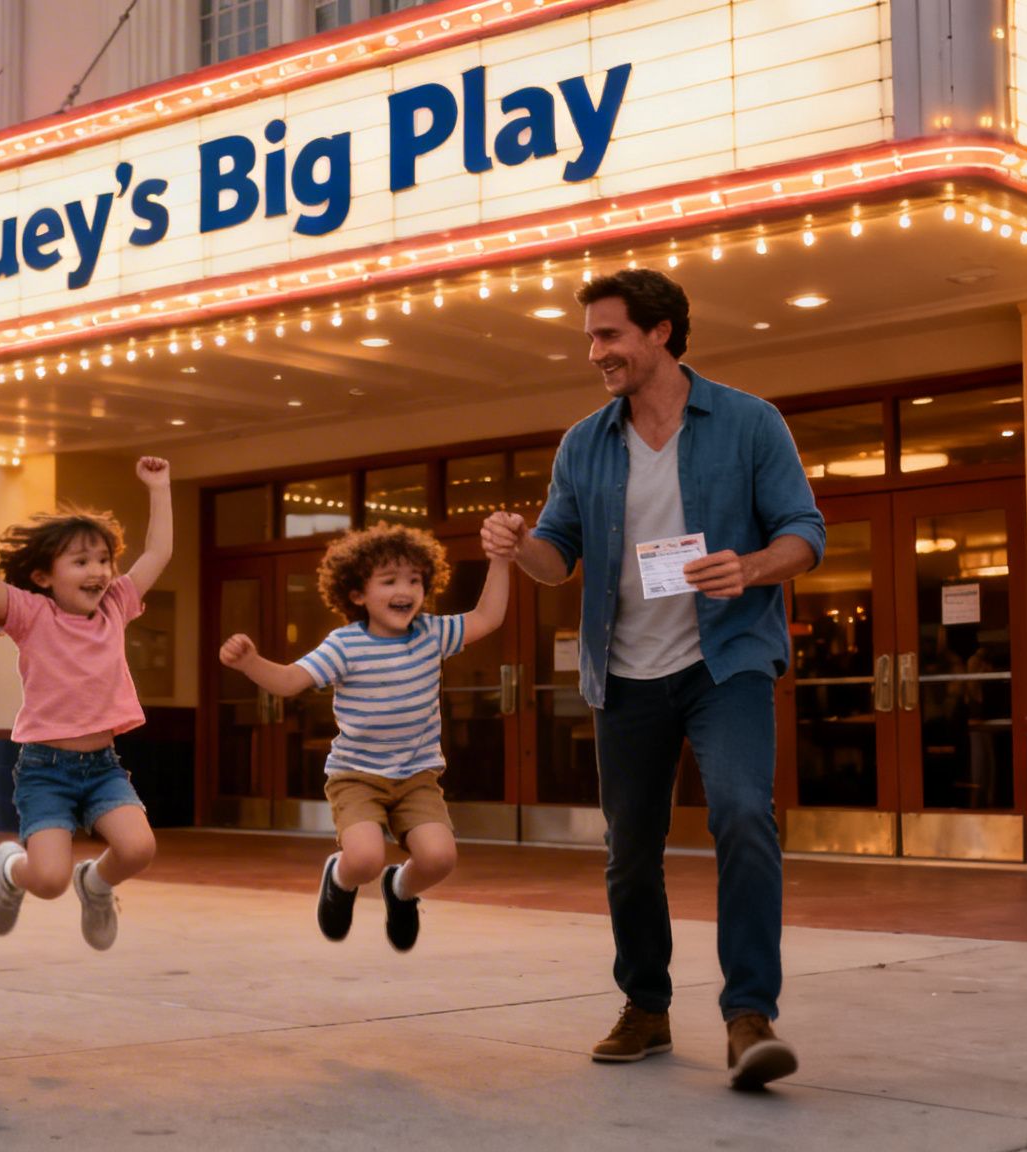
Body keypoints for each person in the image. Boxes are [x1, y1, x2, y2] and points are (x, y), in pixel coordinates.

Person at [482, 269, 825, 1091]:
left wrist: (749, 567)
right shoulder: (585, 443)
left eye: (610, 335)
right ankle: (646, 1004)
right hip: (626, 673)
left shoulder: (748, 422)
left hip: (726, 659)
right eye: (591, 337)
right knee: (630, 853)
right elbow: (557, 560)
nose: (595, 352)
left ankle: (750, 1015)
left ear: (661, 332)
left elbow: (805, 534)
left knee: (744, 815)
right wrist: (515, 541)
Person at [219, 523, 509, 951]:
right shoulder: (345, 645)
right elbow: (289, 681)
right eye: (389, 581)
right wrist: (251, 663)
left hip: (416, 776)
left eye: (414, 580)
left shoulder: (432, 634)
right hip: (357, 776)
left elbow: (488, 617)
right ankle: (339, 878)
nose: (405, 590)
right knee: (365, 859)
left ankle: (402, 890)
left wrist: (502, 557)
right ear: (357, 594)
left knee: (439, 858)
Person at [0, 457, 171, 953]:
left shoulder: (116, 606)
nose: (99, 572)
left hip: (103, 765)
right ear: (45, 577)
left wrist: (160, 488)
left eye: (104, 560)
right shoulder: (31, 615)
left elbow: (157, 551)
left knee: (138, 849)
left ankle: (96, 884)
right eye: (82, 561)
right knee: (47, 880)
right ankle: (9, 868)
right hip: (46, 770)